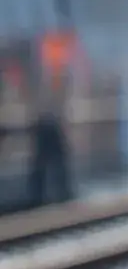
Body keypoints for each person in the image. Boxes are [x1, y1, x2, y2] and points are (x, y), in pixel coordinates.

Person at [28, 26, 79, 206]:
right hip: (49, 121)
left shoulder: (48, 68)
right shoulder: (55, 69)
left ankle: (42, 195)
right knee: (54, 159)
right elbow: (53, 98)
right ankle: (57, 194)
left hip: (46, 120)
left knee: (46, 160)